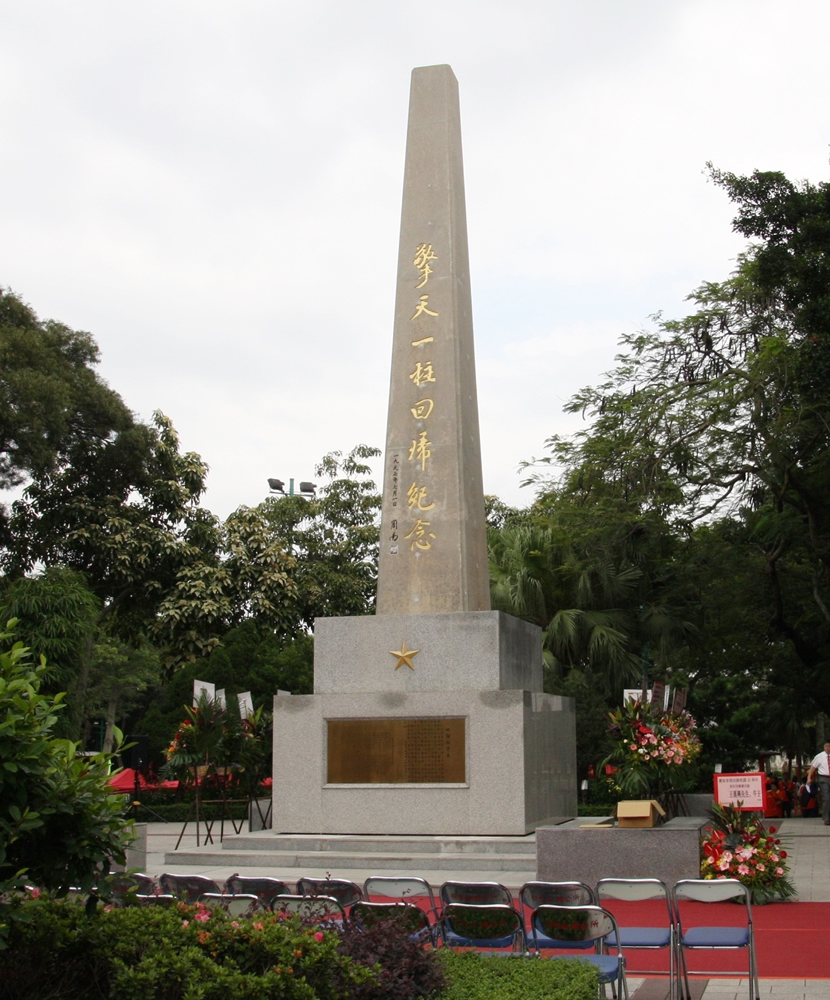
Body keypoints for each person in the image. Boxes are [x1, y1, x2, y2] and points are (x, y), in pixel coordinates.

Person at [806, 741, 830, 825]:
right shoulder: (819, 756)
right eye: (826, 746)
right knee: (826, 797)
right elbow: (813, 768)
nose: (827, 748)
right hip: (823, 778)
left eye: (829, 746)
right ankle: (826, 818)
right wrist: (809, 778)